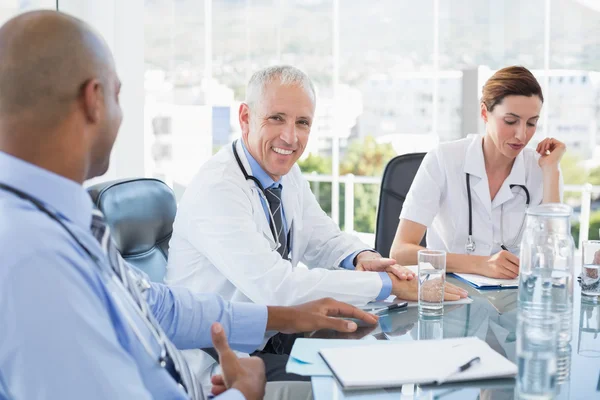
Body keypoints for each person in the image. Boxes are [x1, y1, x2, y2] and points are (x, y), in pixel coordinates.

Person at [0, 10, 380, 400]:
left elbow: (156, 305)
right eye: (118, 95)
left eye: (302, 123)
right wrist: (244, 393)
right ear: (95, 100)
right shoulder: (32, 256)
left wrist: (286, 316)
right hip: (213, 378)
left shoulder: (61, 216)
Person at [165, 65, 468, 379]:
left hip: (272, 340)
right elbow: (278, 288)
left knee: (378, 358)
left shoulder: (284, 173)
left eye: (302, 123)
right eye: (276, 118)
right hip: (222, 363)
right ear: (245, 118)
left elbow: (323, 238)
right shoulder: (218, 188)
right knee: (355, 383)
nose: (290, 137)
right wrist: (389, 286)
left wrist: (362, 258)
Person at [390, 66, 565, 280]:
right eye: (510, 121)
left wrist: (551, 171)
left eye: (531, 123)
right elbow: (400, 252)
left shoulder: (542, 168)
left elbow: (553, 258)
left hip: (514, 299)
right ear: (484, 112)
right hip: (449, 294)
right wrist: (480, 264)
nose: (522, 135)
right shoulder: (444, 159)